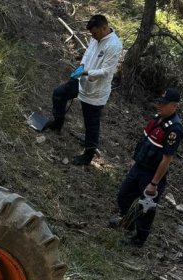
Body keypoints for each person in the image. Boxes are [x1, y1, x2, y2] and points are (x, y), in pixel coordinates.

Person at [43, 14, 123, 166]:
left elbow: (106, 71)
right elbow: (88, 53)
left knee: (91, 123)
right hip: (81, 80)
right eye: (92, 34)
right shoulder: (95, 38)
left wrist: (86, 72)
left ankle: (88, 155)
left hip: (96, 91)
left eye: (95, 33)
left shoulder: (114, 45)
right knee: (59, 94)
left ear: (104, 28)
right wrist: (81, 66)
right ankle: (57, 123)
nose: (93, 37)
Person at [110, 88, 183, 247]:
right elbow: (145, 142)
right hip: (139, 167)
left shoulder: (174, 129)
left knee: (146, 208)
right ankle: (127, 222)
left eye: (163, 104)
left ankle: (139, 239)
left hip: (152, 174)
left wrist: (154, 183)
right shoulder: (157, 118)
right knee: (124, 195)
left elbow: (166, 159)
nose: (159, 106)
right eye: (159, 102)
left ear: (174, 106)